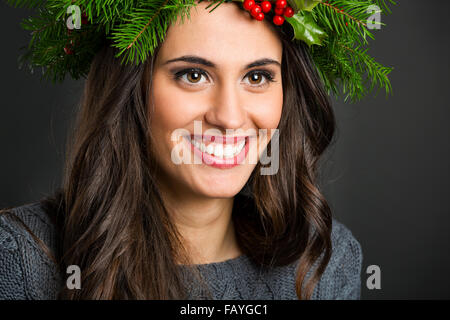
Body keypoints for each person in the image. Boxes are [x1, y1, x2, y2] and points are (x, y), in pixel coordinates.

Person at [0, 0, 363, 299]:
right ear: (131, 91)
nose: (230, 118)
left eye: (256, 77)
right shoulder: (20, 259)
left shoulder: (322, 265)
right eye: (193, 75)